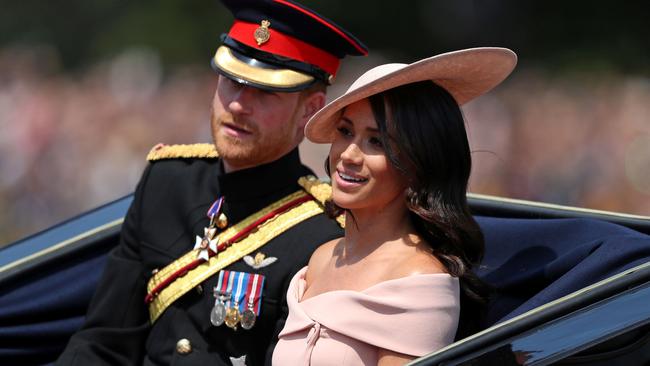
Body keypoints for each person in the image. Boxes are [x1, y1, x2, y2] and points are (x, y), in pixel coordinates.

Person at [56, 0, 367, 365]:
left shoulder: (324, 233)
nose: (237, 105)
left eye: (265, 92)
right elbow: (104, 341)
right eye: (232, 82)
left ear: (310, 110)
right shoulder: (167, 180)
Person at [272, 47, 518, 365]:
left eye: (377, 142)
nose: (348, 155)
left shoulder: (418, 279)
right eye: (346, 132)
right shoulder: (322, 258)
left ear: (419, 163)